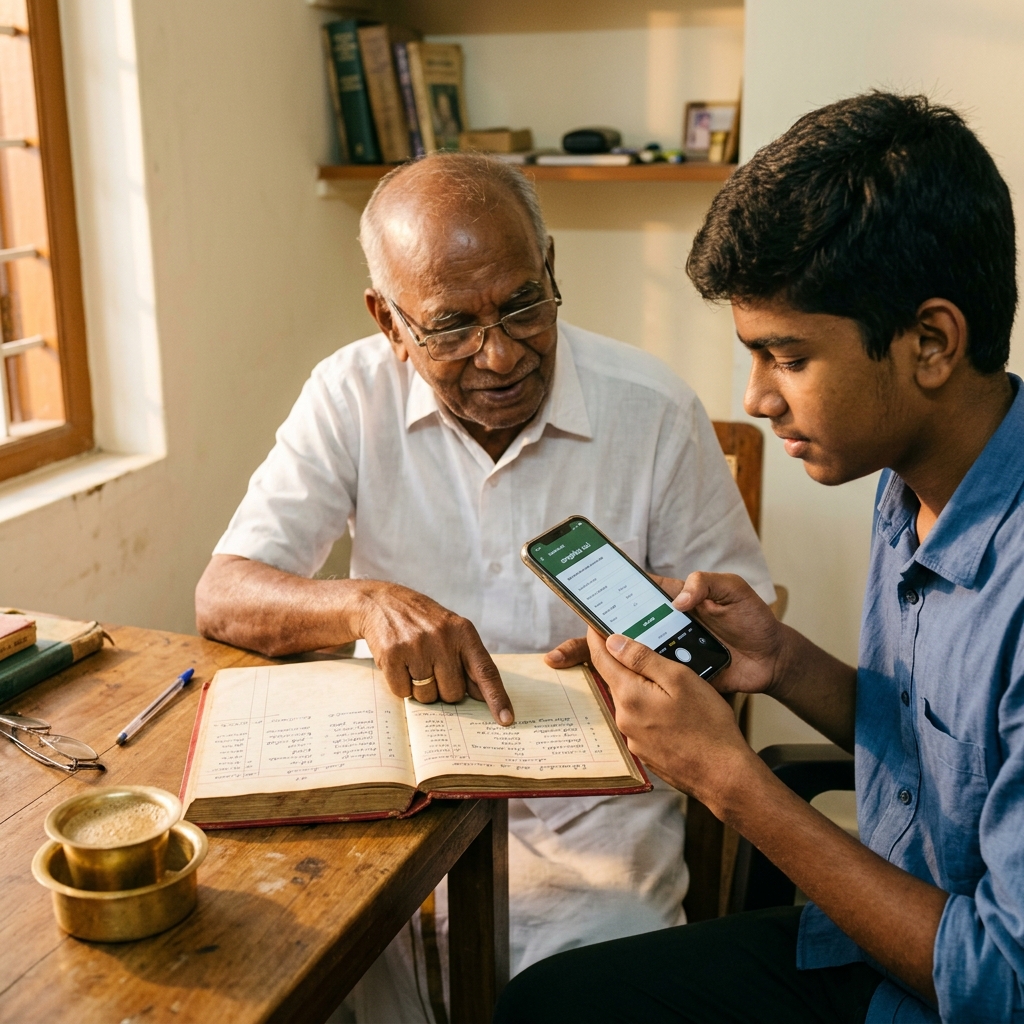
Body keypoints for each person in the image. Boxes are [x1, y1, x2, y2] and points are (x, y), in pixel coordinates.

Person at [195, 152, 774, 1023]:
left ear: (552, 270)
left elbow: (743, 639)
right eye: (451, 326)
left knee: (599, 981)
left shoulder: (652, 408)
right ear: (388, 322)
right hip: (404, 802)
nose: (499, 355)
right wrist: (363, 602)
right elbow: (223, 593)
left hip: (596, 807)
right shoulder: (348, 393)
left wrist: (668, 623)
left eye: (522, 306)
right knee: (307, 957)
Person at [496, 92, 1024, 1024]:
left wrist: (728, 781)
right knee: (549, 1004)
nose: (757, 399)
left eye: (787, 356)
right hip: (880, 936)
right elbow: (940, 747)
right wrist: (781, 663)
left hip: (944, 987)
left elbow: (1001, 982)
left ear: (931, 343)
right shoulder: (913, 478)